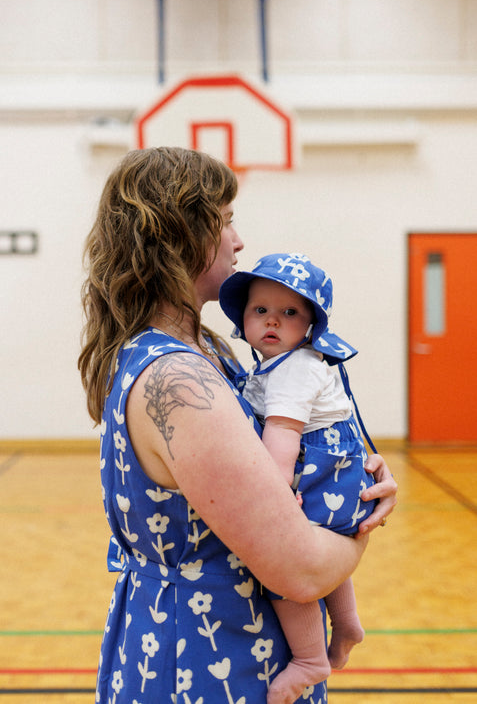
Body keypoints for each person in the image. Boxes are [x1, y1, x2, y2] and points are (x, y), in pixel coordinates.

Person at [78, 147, 397, 704]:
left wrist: (341, 471)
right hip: (207, 656)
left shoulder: (205, 350)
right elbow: (299, 570)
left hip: (229, 640)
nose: (238, 241)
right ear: (181, 235)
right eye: (225, 222)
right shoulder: (177, 380)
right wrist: (355, 521)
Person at [219, 252, 384, 703]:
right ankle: (346, 622)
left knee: (284, 563)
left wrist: (272, 495)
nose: (273, 320)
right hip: (338, 478)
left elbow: (283, 436)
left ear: (311, 326)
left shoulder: (294, 369)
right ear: (244, 319)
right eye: (261, 311)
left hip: (320, 476)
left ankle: (311, 658)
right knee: (323, 551)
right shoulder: (282, 364)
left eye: (289, 312)